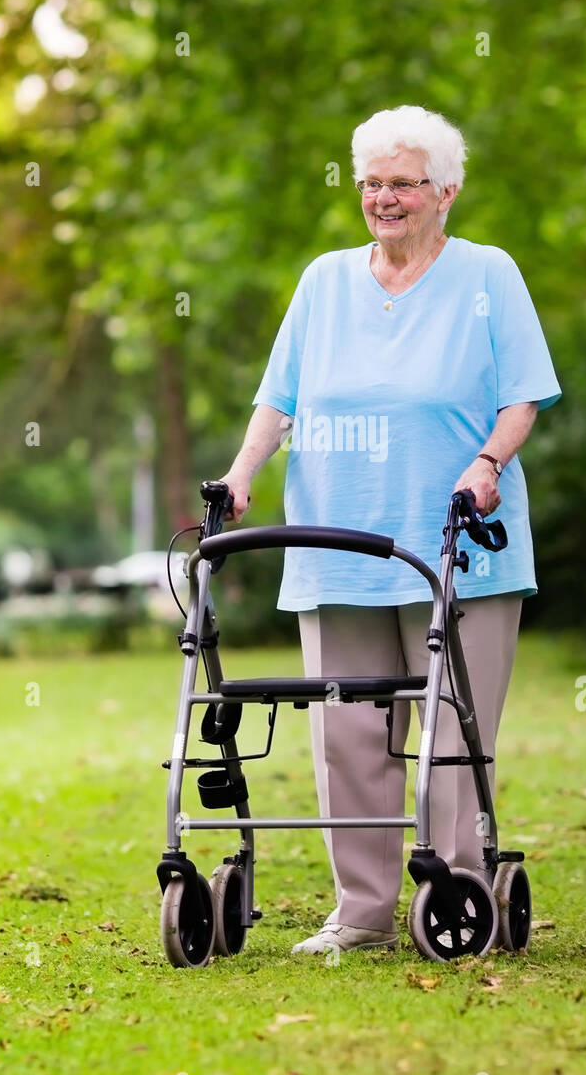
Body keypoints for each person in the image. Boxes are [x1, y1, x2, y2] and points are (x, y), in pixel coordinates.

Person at [216, 104, 561, 955]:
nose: (384, 198)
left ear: (446, 190)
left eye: (402, 183)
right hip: (337, 545)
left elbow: (523, 395)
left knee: (450, 732)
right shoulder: (324, 281)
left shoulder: (488, 275)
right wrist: (242, 472)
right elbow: (279, 397)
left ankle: (454, 898)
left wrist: (486, 463)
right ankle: (362, 911)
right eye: (371, 183)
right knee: (348, 732)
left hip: (455, 545)